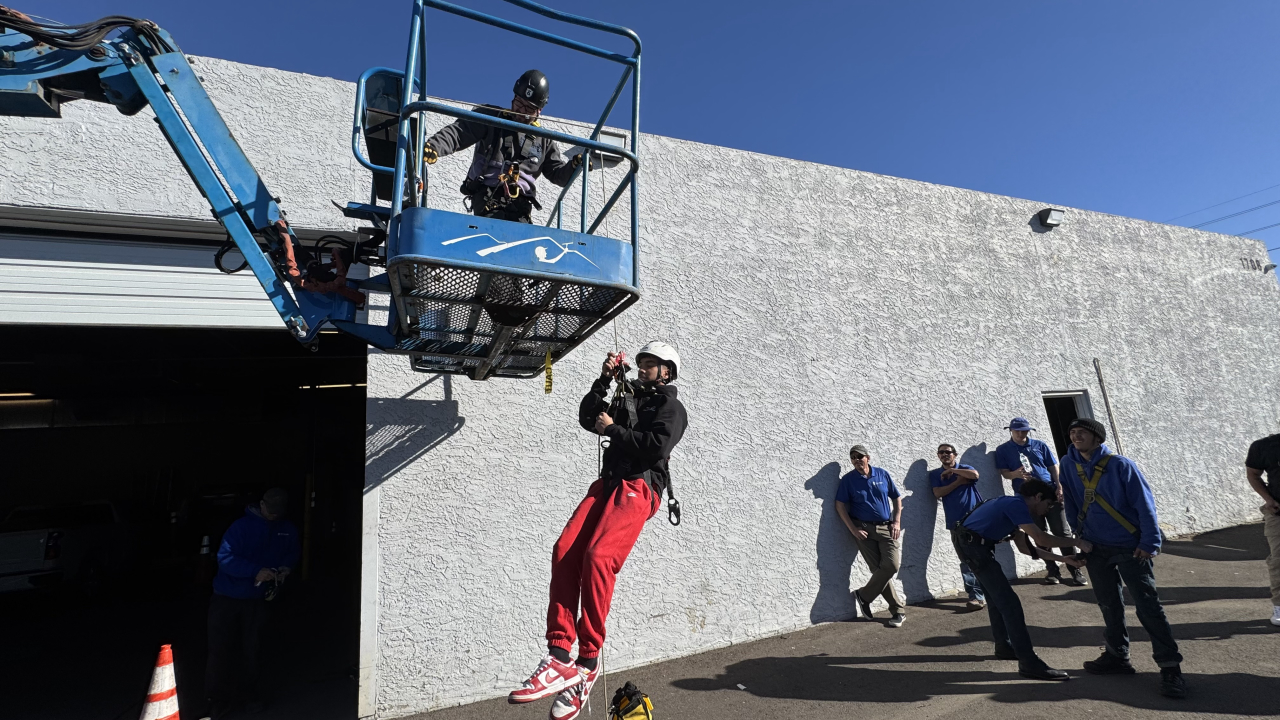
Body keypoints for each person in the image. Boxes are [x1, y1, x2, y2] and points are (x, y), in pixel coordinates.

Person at [508, 342, 688, 720]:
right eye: (640, 363)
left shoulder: (671, 408)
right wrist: (604, 379)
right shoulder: (628, 397)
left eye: (651, 364)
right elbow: (588, 417)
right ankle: (559, 655)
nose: (643, 368)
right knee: (565, 550)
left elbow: (655, 448)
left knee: (598, 557)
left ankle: (587, 664)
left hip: (639, 488)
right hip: (608, 484)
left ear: (667, 372)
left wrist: (615, 430)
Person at [1059, 417, 1187, 698]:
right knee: (1109, 604)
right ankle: (1118, 657)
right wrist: (1078, 539)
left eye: (1083, 432)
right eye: (1072, 432)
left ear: (1098, 438)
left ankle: (1169, 667)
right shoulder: (1068, 465)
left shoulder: (1121, 465)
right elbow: (1070, 501)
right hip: (1094, 546)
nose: (1076, 436)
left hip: (1130, 546)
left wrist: (1150, 541)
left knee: (1148, 607)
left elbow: (1145, 503)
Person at [954, 479, 1092, 680]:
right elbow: (1042, 539)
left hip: (972, 546)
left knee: (996, 600)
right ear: (1037, 497)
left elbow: (1025, 548)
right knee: (1010, 605)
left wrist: (1063, 559)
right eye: (1048, 504)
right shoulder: (1016, 505)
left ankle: (1004, 647)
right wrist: (1077, 542)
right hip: (974, 549)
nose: (1047, 510)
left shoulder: (1012, 505)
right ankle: (1029, 663)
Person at [422, 69, 585, 223]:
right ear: (513, 97)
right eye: (519, 104)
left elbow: (557, 174)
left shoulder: (544, 140)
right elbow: (460, 132)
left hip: (521, 205)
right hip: (488, 198)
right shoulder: (492, 119)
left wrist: (574, 166)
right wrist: (435, 146)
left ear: (539, 110)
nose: (522, 112)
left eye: (529, 108)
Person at [205, 488, 300, 718]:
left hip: (258, 601)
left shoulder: (287, 529)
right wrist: (254, 571)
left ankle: (250, 696)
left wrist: (286, 567)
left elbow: (292, 553)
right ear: (261, 505)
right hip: (227, 598)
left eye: (278, 513)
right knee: (221, 650)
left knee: (254, 650)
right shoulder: (240, 527)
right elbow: (225, 559)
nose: (273, 516)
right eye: (270, 511)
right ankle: (218, 701)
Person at [994, 417, 1087, 586]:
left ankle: (1075, 570)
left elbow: (1052, 467)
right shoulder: (1003, 450)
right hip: (1027, 498)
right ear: (1011, 431)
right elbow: (1004, 473)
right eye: (1018, 431)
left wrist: (1059, 486)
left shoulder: (1039, 445)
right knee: (1039, 533)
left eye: (1025, 431)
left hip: (1049, 493)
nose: (1022, 434)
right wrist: (1016, 474)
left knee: (1062, 531)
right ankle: (1052, 571)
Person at [836, 444, 907, 627]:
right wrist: (853, 529)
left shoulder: (882, 474)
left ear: (868, 457)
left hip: (886, 528)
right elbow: (840, 505)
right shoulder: (848, 480)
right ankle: (897, 611)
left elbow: (896, 498)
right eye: (853, 457)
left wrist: (897, 521)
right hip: (864, 530)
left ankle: (864, 595)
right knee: (878, 571)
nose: (857, 460)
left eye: (860, 456)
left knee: (891, 565)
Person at [929, 443, 985, 609]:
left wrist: (953, 471)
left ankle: (988, 590)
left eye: (948, 452)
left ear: (955, 454)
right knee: (966, 559)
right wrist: (959, 482)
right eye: (941, 452)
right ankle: (975, 596)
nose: (945, 455)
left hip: (977, 519)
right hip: (956, 523)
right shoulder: (935, 474)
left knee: (982, 556)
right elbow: (938, 493)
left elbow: (974, 474)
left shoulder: (964, 468)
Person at [1244, 431, 1280, 627]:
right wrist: (1268, 499)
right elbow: (1253, 473)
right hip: (1278, 513)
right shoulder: (1264, 446)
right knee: (1278, 561)